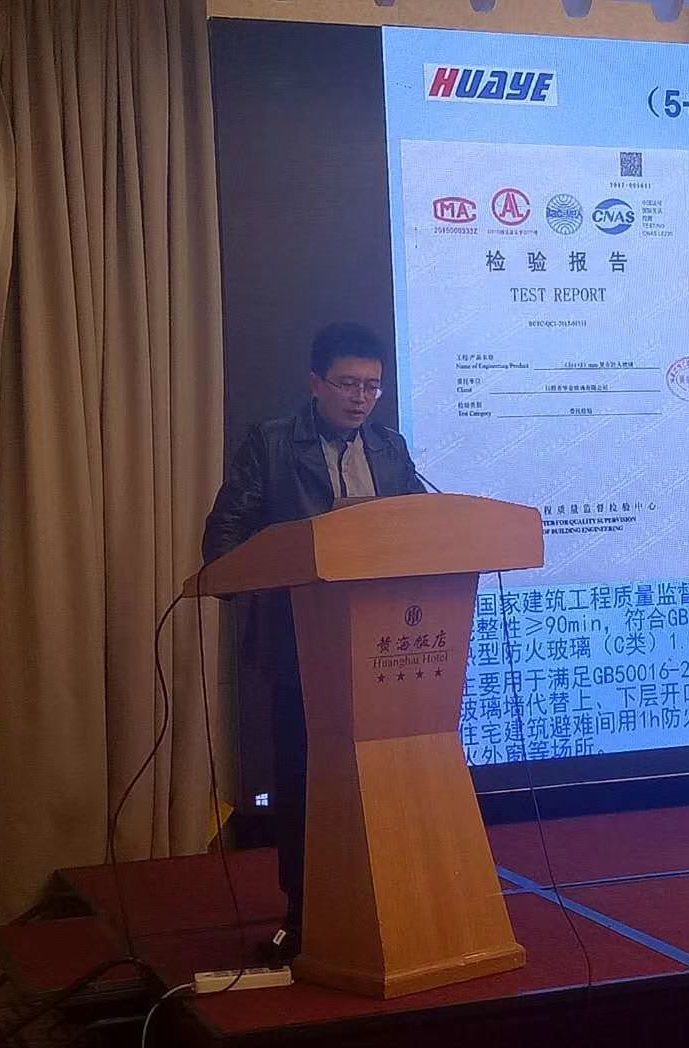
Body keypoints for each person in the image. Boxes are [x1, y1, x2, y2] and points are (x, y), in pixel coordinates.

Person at [202, 322, 427, 963]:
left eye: (373, 386)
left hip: (382, 648)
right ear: (316, 383)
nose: (361, 398)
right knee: (304, 784)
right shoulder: (271, 444)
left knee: (381, 781)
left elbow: (418, 529)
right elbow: (225, 538)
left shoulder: (390, 447)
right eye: (349, 384)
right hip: (301, 645)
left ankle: (388, 906)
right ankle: (304, 914)